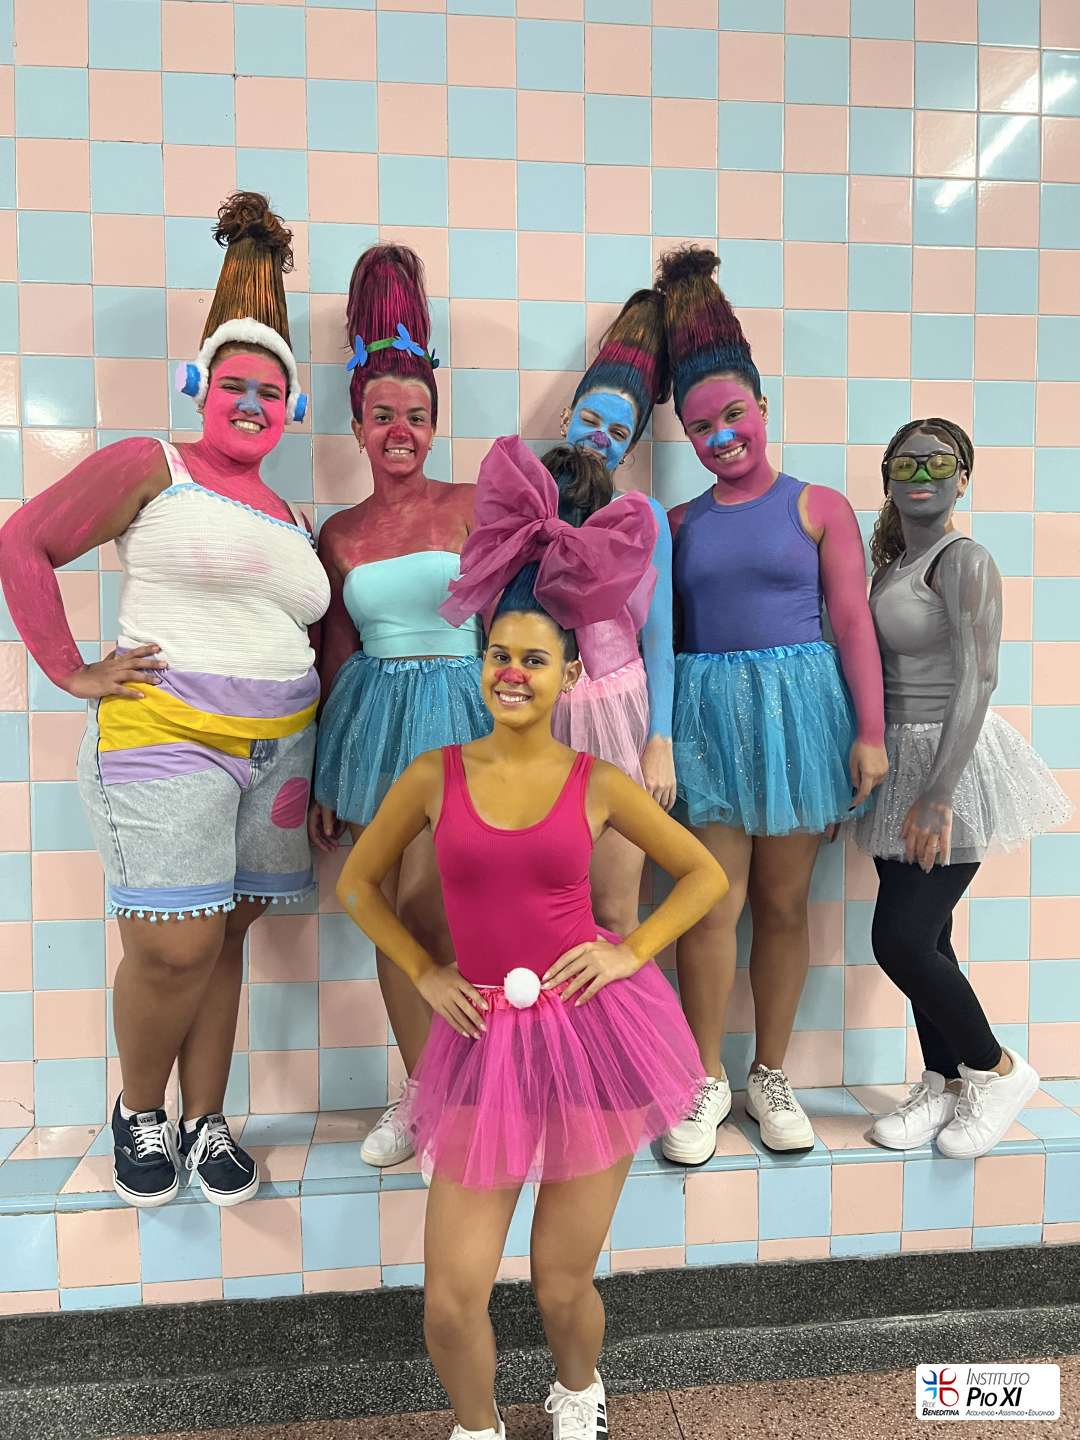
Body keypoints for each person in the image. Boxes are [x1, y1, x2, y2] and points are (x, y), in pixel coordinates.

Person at [336, 436, 726, 1440]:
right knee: (450, 1300)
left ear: (567, 674)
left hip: (596, 1035)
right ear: (482, 665)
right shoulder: (433, 775)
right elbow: (357, 885)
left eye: (535, 659)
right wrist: (425, 971)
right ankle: (477, 1428)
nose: (513, 673)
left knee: (560, 1284)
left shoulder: (599, 783)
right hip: (481, 1042)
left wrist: (628, 952)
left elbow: (706, 876)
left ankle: (580, 1391)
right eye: (500, 655)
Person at [0, 193, 329, 1207]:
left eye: (270, 391)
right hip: (167, 737)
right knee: (173, 939)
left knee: (224, 933)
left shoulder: (294, 515)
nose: (250, 404)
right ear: (200, 387)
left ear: (292, 406)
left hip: (280, 751)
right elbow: (24, 541)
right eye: (234, 385)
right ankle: (139, 1109)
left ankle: (205, 1117)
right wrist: (69, 668)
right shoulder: (156, 466)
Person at [657, 248, 889, 1163]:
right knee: (711, 902)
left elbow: (852, 622)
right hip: (709, 727)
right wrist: (657, 734)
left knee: (786, 904)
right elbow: (662, 641)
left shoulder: (818, 506)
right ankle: (702, 1078)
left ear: (763, 407)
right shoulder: (677, 525)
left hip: (800, 724)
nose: (721, 436)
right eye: (701, 426)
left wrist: (868, 733)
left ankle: (771, 1072)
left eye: (734, 415)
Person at [311, 245, 490, 1169]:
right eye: (382, 416)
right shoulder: (339, 532)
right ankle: (424, 1097)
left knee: (447, 907)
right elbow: (337, 651)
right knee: (387, 907)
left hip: (464, 714)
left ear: (434, 422)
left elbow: (512, 617)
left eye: (416, 416)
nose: (400, 431)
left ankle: (475, 1088)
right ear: (357, 425)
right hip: (372, 726)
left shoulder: (473, 504)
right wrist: (322, 773)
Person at [854, 419, 1070, 1158]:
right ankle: (943, 1082)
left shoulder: (965, 559)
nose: (922, 476)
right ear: (888, 479)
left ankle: (998, 1070)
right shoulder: (892, 565)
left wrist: (940, 793)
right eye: (907, 464)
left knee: (900, 940)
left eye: (938, 462)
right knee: (932, 938)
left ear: (964, 478)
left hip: (951, 762)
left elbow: (980, 676)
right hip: (899, 762)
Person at [549, 288, 676, 937]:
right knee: (545, 912)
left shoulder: (644, 517)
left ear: (631, 448)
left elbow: (660, 639)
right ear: (567, 414)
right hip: (540, 716)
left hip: (621, 718)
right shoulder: (528, 500)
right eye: (591, 419)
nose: (599, 438)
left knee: (615, 913)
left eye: (618, 432)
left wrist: (660, 742)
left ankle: (621, 1013)